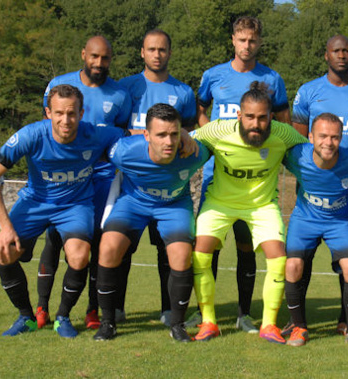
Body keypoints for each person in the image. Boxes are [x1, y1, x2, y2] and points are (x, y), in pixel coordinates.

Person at [0, 84, 124, 338]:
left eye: (71, 113)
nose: (65, 120)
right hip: (35, 202)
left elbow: (139, 134)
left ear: (82, 113)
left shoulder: (97, 135)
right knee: (5, 252)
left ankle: (63, 317)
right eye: (59, 113)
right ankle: (25, 316)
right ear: (48, 112)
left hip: (75, 205)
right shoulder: (31, 135)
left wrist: (182, 134)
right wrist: (5, 228)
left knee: (79, 256)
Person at [192, 16, 291, 333]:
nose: (247, 45)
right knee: (210, 246)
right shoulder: (213, 75)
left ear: (259, 42)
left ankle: (244, 313)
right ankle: (204, 313)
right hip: (216, 173)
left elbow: (284, 122)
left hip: (257, 179)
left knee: (248, 246)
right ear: (233, 40)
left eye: (252, 40)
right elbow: (199, 108)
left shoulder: (272, 79)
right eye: (241, 39)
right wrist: (209, 136)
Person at [191, 81, 307, 344]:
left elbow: (310, 154)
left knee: (279, 258)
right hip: (219, 202)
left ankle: (268, 325)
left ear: (271, 117)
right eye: (250, 117)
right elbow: (186, 144)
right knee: (199, 254)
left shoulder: (284, 134)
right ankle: (208, 321)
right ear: (239, 116)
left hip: (261, 206)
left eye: (263, 118)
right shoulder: (217, 130)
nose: (256, 124)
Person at [36, 35, 131, 331]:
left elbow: (122, 135)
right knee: (53, 241)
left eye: (105, 58)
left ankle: (92, 310)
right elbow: (46, 125)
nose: (99, 63)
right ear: (83, 55)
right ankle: (42, 307)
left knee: (97, 243)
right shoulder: (59, 84)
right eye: (94, 56)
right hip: (65, 179)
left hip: (102, 179)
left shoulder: (120, 94)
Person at [289, 34, 348, 335]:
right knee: (302, 257)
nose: (342, 55)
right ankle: (297, 321)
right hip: (313, 185)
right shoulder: (308, 91)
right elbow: (299, 139)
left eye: (347, 51)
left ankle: (346, 319)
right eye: (336, 51)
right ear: (326, 55)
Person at [93, 103, 208, 341]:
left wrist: (189, 135)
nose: (169, 142)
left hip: (174, 205)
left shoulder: (195, 152)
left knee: (181, 254)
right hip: (133, 203)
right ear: (146, 135)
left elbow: (219, 141)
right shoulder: (124, 151)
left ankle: (177, 325)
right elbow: (97, 145)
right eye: (161, 135)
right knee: (108, 247)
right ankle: (108, 323)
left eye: (174, 134)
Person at [119, 29, 197, 326]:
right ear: (142, 52)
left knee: (168, 250)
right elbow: (117, 132)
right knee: (123, 246)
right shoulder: (126, 88)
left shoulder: (183, 92)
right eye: (151, 49)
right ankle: (116, 309)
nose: (157, 54)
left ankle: (169, 310)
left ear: (169, 53)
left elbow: (188, 133)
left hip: (170, 185)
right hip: (131, 184)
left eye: (162, 49)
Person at [283, 113, 348, 349]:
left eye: (335, 137)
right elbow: (270, 152)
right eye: (323, 136)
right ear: (311, 137)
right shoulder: (296, 156)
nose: (328, 142)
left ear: (341, 138)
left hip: (339, 222)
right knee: (293, 265)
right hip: (305, 219)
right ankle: (299, 326)